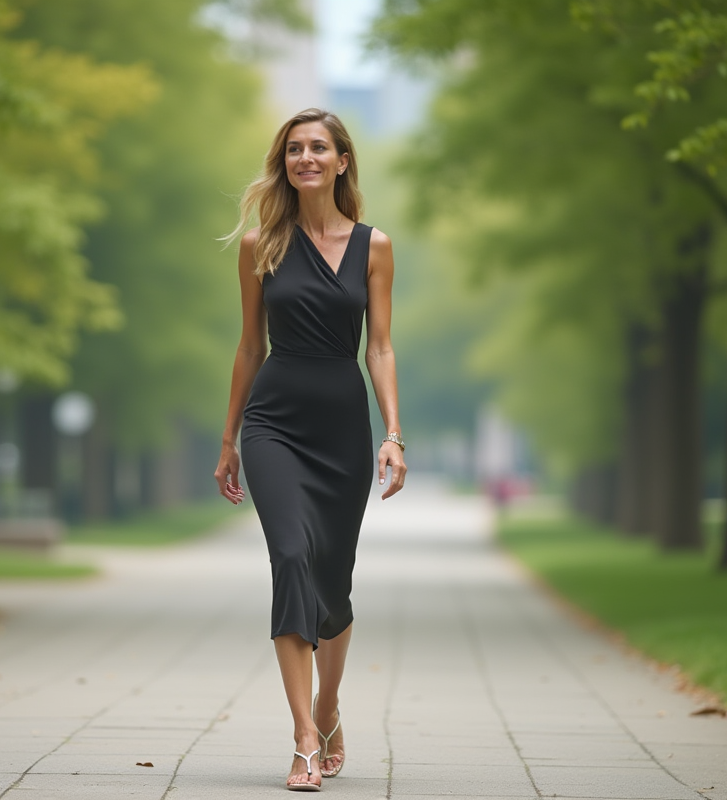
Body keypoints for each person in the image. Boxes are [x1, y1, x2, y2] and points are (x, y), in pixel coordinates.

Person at [214, 108, 407, 792]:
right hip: (273, 423)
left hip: (341, 431)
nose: (306, 158)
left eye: (318, 147)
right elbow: (249, 346)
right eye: (294, 149)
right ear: (284, 163)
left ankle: (328, 706)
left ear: (342, 161)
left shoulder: (374, 246)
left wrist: (393, 434)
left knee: (332, 584)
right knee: (290, 558)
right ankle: (302, 737)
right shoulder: (261, 242)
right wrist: (230, 439)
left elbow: (379, 346)